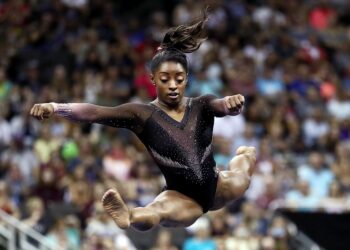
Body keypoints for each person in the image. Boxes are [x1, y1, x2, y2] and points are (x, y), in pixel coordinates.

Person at [30, 11, 256, 231]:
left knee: (243, 174)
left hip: (217, 186)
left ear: (186, 78)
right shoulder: (142, 114)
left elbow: (222, 105)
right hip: (182, 197)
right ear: (153, 79)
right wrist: (55, 107)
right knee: (157, 211)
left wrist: (230, 104)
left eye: (179, 78)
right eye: (165, 79)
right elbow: (95, 112)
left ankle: (245, 154)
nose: (173, 85)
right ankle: (128, 215)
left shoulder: (202, 104)